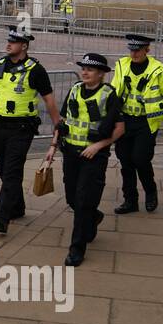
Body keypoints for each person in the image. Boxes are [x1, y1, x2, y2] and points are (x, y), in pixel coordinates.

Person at [0, 29, 60, 234]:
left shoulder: (36, 70)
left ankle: (1, 217)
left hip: (22, 129)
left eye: (14, 42)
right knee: (5, 171)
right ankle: (18, 206)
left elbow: (48, 100)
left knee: (11, 172)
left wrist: (58, 125)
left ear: (24, 46)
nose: (9, 44)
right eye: (9, 41)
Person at [43, 53, 124, 266]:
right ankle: (93, 216)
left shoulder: (109, 95)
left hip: (94, 157)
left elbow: (119, 129)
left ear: (101, 74)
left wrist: (97, 146)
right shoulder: (75, 90)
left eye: (90, 69)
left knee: (83, 200)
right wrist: (53, 146)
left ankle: (76, 249)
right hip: (70, 152)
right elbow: (62, 122)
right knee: (72, 199)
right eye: (84, 68)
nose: (85, 72)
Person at [110, 34, 163, 214]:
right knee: (125, 161)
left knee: (140, 159)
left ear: (147, 50)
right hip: (124, 120)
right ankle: (130, 201)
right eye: (131, 50)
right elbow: (113, 92)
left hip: (146, 122)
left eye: (138, 50)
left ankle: (151, 192)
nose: (134, 54)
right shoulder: (122, 65)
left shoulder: (160, 70)